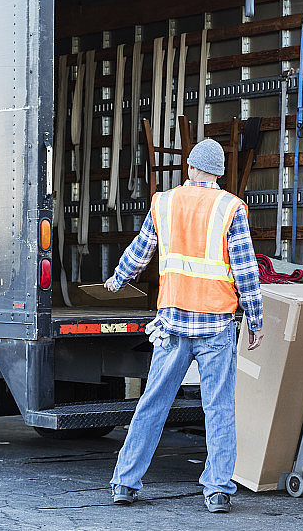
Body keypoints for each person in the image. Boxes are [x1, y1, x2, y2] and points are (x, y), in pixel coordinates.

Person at [105, 139, 264, 513]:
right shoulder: (230, 208)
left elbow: (141, 250)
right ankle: (217, 490)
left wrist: (117, 278)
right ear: (220, 173)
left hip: (172, 324)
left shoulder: (164, 202)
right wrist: (255, 320)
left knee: (153, 404)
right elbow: (245, 270)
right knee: (219, 408)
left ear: (190, 168)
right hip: (216, 326)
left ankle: (125, 483)